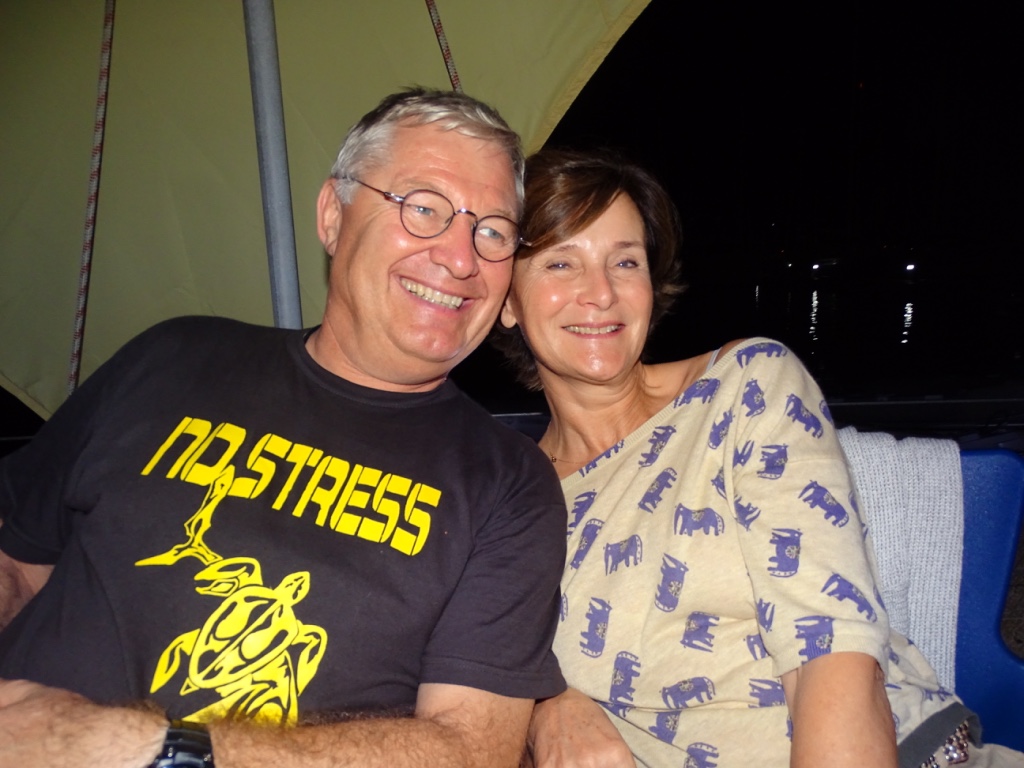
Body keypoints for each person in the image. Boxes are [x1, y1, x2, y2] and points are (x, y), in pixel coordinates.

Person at [0, 88, 567, 768]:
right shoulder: (175, 356)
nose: (461, 257)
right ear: (333, 215)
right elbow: (18, 562)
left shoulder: (508, 483)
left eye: (493, 231)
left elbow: (472, 750)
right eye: (423, 208)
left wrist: (144, 749)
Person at [491, 148, 1024, 767]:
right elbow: (473, 669)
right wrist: (546, 705)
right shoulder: (507, 501)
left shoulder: (745, 386)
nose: (601, 293)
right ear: (507, 301)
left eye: (625, 261)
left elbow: (830, 653)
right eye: (561, 262)